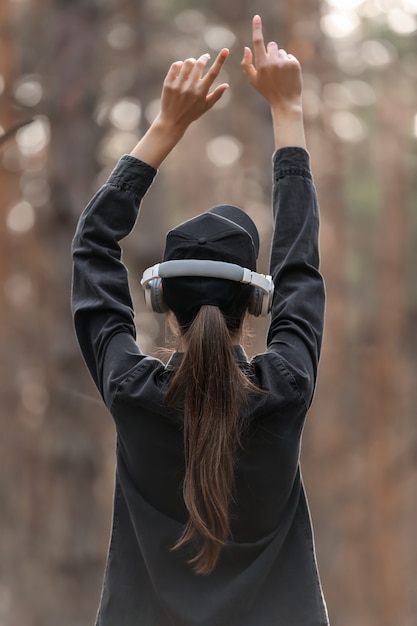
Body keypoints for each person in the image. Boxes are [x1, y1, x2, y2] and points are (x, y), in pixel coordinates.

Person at [72, 14, 329, 626]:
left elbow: (91, 247)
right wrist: (287, 113)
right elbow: (301, 266)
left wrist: (166, 125)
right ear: (257, 305)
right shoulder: (284, 387)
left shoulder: (133, 393)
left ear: (161, 304)